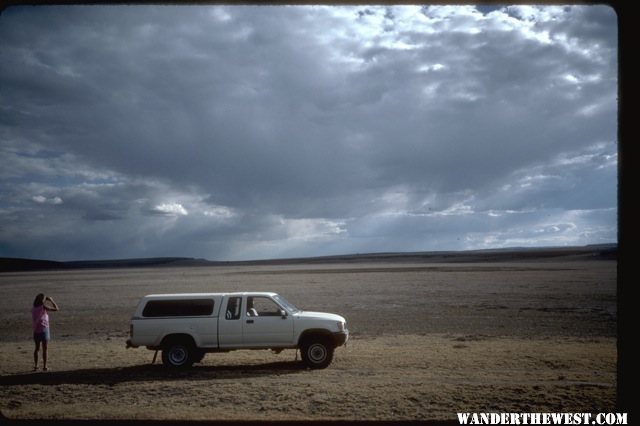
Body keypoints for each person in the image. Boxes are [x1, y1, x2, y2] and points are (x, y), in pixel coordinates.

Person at [32, 293, 59, 371]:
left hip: (36, 330)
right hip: (44, 329)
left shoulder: (34, 308)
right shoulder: (43, 307)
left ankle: (36, 365)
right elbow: (56, 308)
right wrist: (51, 300)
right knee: (45, 349)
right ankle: (45, 366)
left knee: (37, 348)